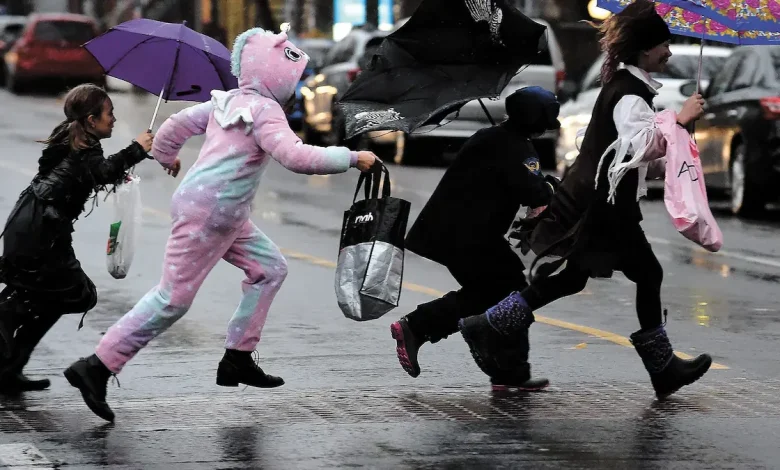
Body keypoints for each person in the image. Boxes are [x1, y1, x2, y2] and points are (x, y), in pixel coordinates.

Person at [64, 27, 378, 422]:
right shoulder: (265, 111)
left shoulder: (226, 102)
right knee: (172, 299)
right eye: (291, 77)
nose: (294, 87)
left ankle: (237, 357)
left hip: (223, 214)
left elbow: (176, 125)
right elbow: (295, 156)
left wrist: (165, 154)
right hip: (210, 215)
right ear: (274, 74)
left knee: (269, 270)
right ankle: (96, 366)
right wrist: (351, 157)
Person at [459, 0, 712, 400]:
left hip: (602, 200)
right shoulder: (629, 93)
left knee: (574, 278)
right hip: (605, 206)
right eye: (664, 44)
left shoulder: (630, 87)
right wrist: (678, 121)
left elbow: (632, 155)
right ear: (646, 49)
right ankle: (663, 369)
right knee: (647, 274)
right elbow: (636, 144)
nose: (669, 52)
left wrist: (677, 144)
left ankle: (489, 324)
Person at [391, 87, 560, 390]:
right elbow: (533, 192)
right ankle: (417, 326)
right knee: (512, 297)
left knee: (500, 294)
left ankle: (510, 374)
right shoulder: (518, 147)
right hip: (468, 236)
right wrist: (549, 187)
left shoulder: (491, 137)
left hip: (455, 233)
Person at [0, 84, 155, 394]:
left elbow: (93, 172)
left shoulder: (73, 137)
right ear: (90, 119)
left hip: (33, 223)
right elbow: (101, 171)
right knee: (74, 293)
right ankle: (6, 317)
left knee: (52, 296)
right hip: (40, 231)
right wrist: (137, 148)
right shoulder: (85, 150)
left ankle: (9, 368)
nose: (114, 118)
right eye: (109, 113)